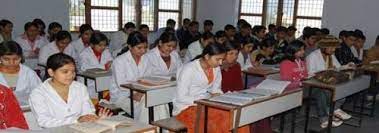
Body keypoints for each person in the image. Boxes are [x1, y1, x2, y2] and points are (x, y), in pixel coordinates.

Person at [174, 43, 249, 133]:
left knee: (236, 117)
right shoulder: (189, 69)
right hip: (187, 107)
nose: (220, 63)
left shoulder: (215, 67)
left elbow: (216, 89)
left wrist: (219, 95)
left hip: (207, 104)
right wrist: (206, 99)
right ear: (207, 56)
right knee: (218, 120)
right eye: (218, 59)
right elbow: (181, 98)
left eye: (222, 59)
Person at [29, 53, 112, 128]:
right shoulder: (38, 93)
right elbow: (44, 122)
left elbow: (88, 111)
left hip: (80, 129)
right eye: (65, 72)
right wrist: (76, 120)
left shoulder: (80, 87)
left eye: (73, 71)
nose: (70, 75)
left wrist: (95, 118)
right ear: (51, 72)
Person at [306, 35, 351, 128]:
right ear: (323, 47)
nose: (333, 50)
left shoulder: (331, 56)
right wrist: (327, 71)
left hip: (326, 83)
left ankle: (334, 109)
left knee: (343, 87)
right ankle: (325, 118)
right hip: (313, 84)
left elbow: (337, 67)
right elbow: (310, 73)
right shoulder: (313, 56)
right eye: (331, 47)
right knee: (321, 93)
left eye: (334, 47)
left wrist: (346, 66)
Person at [110, 31, 152, 123]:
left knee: (158, 102)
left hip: (142, 93)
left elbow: (148, 78)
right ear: (130, 47)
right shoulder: (119, 61)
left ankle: (161, 130)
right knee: (147, 104)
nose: (143, 51)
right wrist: (137, 92)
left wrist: (141, 92)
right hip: (123, 96)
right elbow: (122, 85)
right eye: (139, 48)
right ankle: (144, 129)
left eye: (145, 47)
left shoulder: (146, 58)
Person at [0, 41, 42, 107]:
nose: (11, 62)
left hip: (25, 110)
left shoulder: (29, 73)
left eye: (16, 59)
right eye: (6, 59)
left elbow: (40, 94)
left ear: (21, 57)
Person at [78, 32, 113, 98]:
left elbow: (110, 62)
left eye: (105, 45)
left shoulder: (106, 51)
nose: (103, 47)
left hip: (103, 81)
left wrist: (111, 65)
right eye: (100, 45)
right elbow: (85, 68)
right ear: (92, 45)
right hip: (89, 82)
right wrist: (105, 66)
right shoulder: (84, 54)